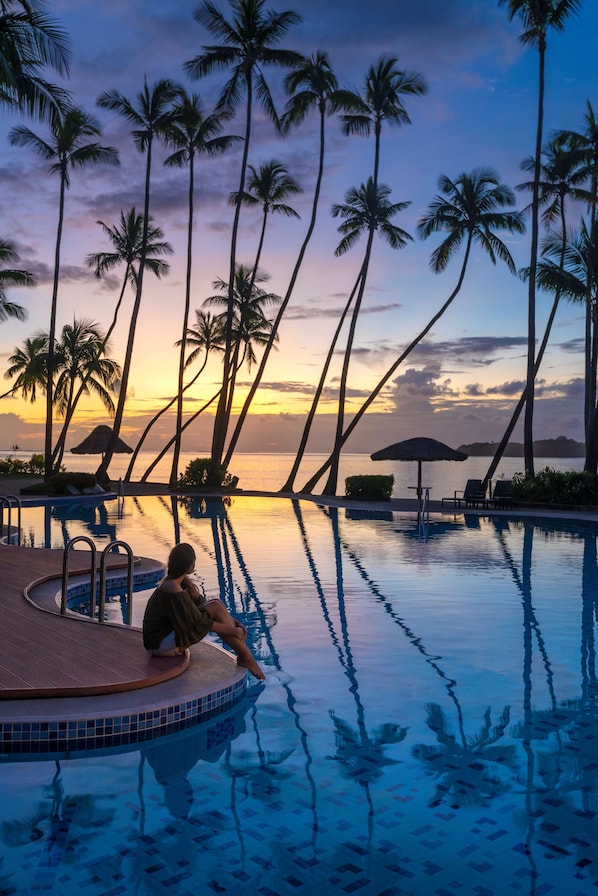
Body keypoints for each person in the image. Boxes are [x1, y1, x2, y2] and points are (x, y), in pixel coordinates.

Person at [142, 542, 265, 680]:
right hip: (158, 645)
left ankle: (245, 656)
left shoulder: (181, 584)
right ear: (189, 565)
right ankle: (246, 657)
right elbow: (200, 622)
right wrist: (234, 631)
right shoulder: (171, 587)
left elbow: (205, 606)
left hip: (166, 641)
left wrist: (236, 623)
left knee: (216, 604)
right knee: (214, 608)